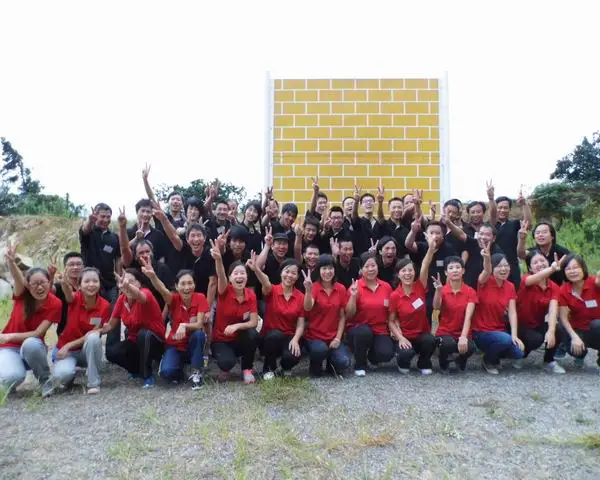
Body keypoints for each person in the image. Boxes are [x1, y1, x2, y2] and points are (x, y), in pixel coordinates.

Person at [0, 242, 62, 397]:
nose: (39, 287)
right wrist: (11, 262)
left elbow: (38, 332)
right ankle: (9, 372)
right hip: (9, 348)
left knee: (31, 343)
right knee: (12, 378)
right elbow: (17, 278)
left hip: (33, 348)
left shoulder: (55, 303)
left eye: (43, 283)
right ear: (28, 285)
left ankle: (44, 380)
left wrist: (10, 335)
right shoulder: (22, 294)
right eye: (34, 284)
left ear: (49, 283)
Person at [141, 263, 208, 389]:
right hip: (175, 344)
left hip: (192, 345)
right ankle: (181, 372)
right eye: (182, 284)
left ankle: (196, 373)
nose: (187, 287)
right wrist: (153, 277)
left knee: (199, 334)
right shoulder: (174, 299)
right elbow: (162, 290)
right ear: (176, 287)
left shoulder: (200, 297)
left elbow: (199, 324)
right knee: (167, 373)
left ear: (194, 285)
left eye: (190, 283)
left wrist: (184, 325)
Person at [50, 268, 110, 394]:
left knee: (94, 337)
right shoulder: (75, 299)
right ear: (79, 285)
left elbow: (92, 334)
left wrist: (69, 345)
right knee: (62, 376)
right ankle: (70, 374)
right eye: (87, 281)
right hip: (66, 352)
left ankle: (93, 383)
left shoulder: (104, 306)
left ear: (99, 284)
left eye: (95, 281)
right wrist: (65, 284)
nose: (91, 285)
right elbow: (68, 294)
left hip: (86, 350)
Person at [103, 269, 166, 388]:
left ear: (139, 283)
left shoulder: (145, 293)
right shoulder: (121, 299)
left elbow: (139, 296)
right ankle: (137, 369)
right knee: (112, 352)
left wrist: (128, 287)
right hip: (135, 341)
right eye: (125, 282)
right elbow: (111, 324)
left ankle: (147, 375)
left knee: (143, 334)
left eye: (131, 281)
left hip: (155, 341)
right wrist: (94, 332)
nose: (127, 284)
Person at [210, 244, 259, 384]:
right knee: (226, 363)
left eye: (242, 273)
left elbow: (254, 322)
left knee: (252, 334)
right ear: (230, 278)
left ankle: (247, 369)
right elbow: (220, 275)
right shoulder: (224, 291)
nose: (239, 276)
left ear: (246, 277)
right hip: (221, 340)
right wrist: (218, 260)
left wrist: (237, 326)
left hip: (238, 339)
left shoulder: (251, 295)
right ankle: (225, 367)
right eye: (235, 273)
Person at [249, 257, 305, 379]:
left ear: (297, 277)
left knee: (293, 356)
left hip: (289, 336)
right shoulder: (272, 290)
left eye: (293, 273)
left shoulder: (300, 296)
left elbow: (301, 324)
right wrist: (257, 270)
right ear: (281, 273)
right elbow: (265, 282)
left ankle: (285, 368)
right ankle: (269, 368)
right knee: (274, 336)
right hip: (270, 337)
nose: (289, 275)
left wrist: (295, 339)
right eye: (287, 271)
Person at [472, 249, 525, 374]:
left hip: (499, 330)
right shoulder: (484, 282)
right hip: (481, 331)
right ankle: (488, 360)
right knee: (505, 340)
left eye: (506, 266)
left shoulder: (510, 286)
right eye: (499, 266)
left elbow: (512, 312)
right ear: (493, 268)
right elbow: (486, 271)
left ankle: (494, 355)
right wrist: (486, 258)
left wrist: (514, 335)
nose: (503, 269)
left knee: (518, 353)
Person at [388, 237, 437, 375]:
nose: (408, 273)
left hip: (421, 334)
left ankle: (424, 362)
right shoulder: (395, 295)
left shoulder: (419, 286)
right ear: (398, 274)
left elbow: (425, 266)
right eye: (404, 271)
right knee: (405, 357)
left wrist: (431, 250)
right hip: (405, 335)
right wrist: (400, 337)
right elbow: (391, 321)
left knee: (430, 340)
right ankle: (403, 360)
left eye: (410, 270)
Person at [153, 207, 217, 305]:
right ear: (187, 239)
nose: (196, 239)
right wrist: (163, 219)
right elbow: (173, 236)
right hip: (185, 296)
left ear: (204, 238)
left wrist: (206, 308)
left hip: (205, 298)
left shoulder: (210, 254)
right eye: (193, 236)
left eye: (199, 235)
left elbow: (213, 283)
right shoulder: (184, 248)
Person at [345, 252, 394, 377]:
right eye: (367, 266)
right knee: (364, 332)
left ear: (378, 267)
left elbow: (391, 311)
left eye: (373, 266)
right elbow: (349, 315)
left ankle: (372, 356)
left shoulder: (386, 287)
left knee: (386, 353)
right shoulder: (355, 287)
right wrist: (353, 296)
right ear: (361, 269)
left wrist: (394, 328)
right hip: (359, 330)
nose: (371, 269)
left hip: (380, 330)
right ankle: (360, 363)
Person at [516, 250, 565, 373]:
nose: (540, 264)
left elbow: (553, 309)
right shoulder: (526, 279)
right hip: (519, 326)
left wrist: (551, 331)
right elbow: (530, 280)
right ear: (530, 268)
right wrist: (552, 269)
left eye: (542, 260)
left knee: (558, 329)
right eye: (535, 263)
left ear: (547, 262)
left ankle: (548, 361)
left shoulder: (554, 287)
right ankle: (520, 355)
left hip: (536, 325)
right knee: (535, 339)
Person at [302, 255, 351, 377]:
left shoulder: (340, 288)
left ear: (335, 270)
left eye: (330, 268)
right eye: (324, 268)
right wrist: (308, 290)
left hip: (333, 336)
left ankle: (331, 364)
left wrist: (338, 338)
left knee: (344, 362)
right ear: (319, 270)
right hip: (314, 337)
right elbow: (307, 307)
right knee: (320, 350)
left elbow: (342, 317)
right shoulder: (314, 287)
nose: (327, 272)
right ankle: (315, 367)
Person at [432, 257, 477, 372]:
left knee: (470, 347)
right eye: (451, 268)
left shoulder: (470, 291)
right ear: (446, 272)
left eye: (458, 267)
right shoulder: (443, 290)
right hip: (445, 332)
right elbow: (436, 306)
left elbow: (468, 317)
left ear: (463, 271)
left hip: (462, 332)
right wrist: (438, 290)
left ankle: (460, 360)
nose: (455, 270)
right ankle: (443, 359)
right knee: (448, 344)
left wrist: (463, 336)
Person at [557, 254, 600, 369]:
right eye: (568, 269)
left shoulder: (594, 283)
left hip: (596, 329)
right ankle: (580, 354)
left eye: (576, 267)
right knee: (575, 350)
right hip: (578, 331)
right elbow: (563, 318)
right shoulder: (563, 290)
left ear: (583, 268)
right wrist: (574, 337)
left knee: (597, 325)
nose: (573, 271)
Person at [79, 203, 122, 305]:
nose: (106, 220)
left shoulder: (114, 237)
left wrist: (119, 278)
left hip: (110, 283)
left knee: (112, 312)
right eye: (102, 216)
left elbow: (118, 259)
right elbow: (85, 229)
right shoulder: (88, 232)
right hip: (91, 282)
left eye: (108, 217)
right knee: (94, 312)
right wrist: (90, 221)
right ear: (96, 216)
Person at [491, 192, 533, 288]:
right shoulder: (490, 226)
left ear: (509, 209)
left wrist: (524, 204)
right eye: (500, 207)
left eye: (505, 208)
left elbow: (528, 224)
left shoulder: (514, 224)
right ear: (495, 209)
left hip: (511, 267)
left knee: (513, 294)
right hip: (493, 267)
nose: (502, 210)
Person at [52, 252, 84, 336]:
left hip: (87, 333)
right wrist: (51, 276)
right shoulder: (59, 286)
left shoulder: (89, 285)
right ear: (65, 267)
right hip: (65, 333)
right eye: (71, 264)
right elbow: (47, 293)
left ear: (83, 266)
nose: (75, 267)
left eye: (78, 264)